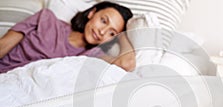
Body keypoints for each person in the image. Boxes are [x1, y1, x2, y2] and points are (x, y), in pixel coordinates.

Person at [0, 1, 135, 73]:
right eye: (103, 21)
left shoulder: (93, 55)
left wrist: (123, 36)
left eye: (111, 33)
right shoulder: (46, 19)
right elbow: (4, 44)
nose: (102, 32)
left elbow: (126, 64)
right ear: (91, 13)